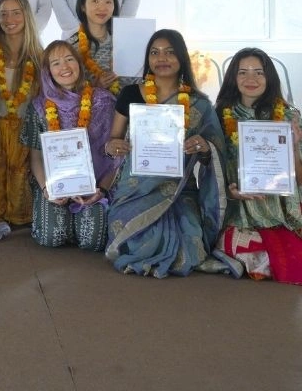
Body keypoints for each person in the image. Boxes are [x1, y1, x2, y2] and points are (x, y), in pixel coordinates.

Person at [104, 29, 230, 277]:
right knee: (133, 234)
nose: (161, 58)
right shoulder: (131, 93)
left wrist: (204, 147)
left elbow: (214, 151)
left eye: (170, 52)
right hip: (136, 185)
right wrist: (112, 147)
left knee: (190, 236)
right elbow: (112, 140)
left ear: (181, 57)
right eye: (155, 52)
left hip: (179, 187)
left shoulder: (198, 102)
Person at [20, 40, 118, 251]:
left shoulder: (103, 101)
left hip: (94, 184)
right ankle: (67, 222)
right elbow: (36, 155)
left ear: (79, 64)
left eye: (69, 59)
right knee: (52, 236)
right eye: (55, 63)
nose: (64, 67)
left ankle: (77, 223)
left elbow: (116, 155)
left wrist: (101, 189)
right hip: (55, 185)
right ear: (48, 72)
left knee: (93, 241)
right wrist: (47, 189)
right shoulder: (39, 106)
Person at [214, 48, 302, 283]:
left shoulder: (289, 117)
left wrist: (294, 147)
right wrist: (231, 192)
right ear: (233, 78)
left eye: (258, 72)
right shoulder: (219, 117)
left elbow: (300, 179)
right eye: (242, 72)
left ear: (269, 77)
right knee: (248, 248)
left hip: (284, 209)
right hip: (240, 212)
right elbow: (210, 173)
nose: (250, 79)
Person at [0, 0, 43, 226]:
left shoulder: (41, 58)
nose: (9, 20)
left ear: (27, 16)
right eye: (4, 14)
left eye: (16, 13)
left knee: (22, 178)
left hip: (27, 133)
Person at [68, 0, 140, 93]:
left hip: (127, 103)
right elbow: (63, 91)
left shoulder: (128, 42)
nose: (102, 8)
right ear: (82, 6)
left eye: (108, 2)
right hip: (87, 104)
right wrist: (94, 87)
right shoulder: (70, 46)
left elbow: (142, 82)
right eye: (95, 1)